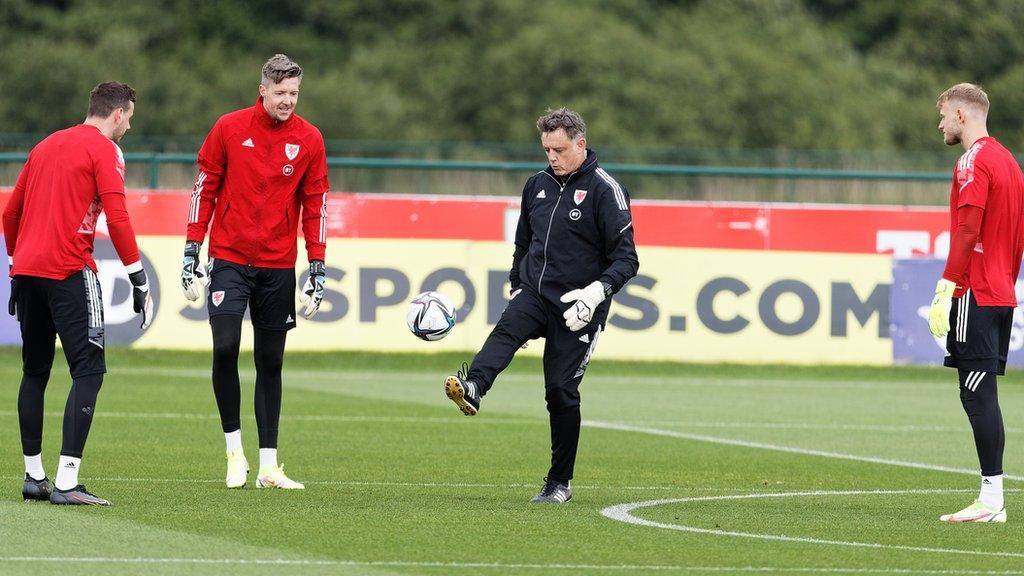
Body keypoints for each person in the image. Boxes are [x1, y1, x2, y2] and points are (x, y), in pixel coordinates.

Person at [444, 108, 639, 503]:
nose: (552, 156)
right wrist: (517, 285)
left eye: (560, 149)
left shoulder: (606, 190)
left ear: (580, 144)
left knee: (560, 393)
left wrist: (596, 293)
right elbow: (523, 242)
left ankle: (559, 483)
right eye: (546, 149)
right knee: (507, 329)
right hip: (536, 293)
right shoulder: (536, 185)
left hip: (579, 305)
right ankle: (474, 386)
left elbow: (627, 259)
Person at [182, 54, 329, 490]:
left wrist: (316, 264)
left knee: (271, 360)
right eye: (281, 93)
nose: (288, 101)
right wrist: (192, 249)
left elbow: (316, 204)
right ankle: (233, 452)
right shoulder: (229, 127)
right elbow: (204, 188)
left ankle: (268, 466)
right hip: (228, 257)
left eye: (295, 94)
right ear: (263, 89)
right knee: (225, 347)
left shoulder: (310, 139)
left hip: (278, 265)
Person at [3, 82, 154, 506]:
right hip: (69, 269)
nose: (127, 126)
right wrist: (138, 278)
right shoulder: (106, 150)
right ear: (119, 113)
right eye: (129, 118)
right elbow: (118, 215)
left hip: (28, 271)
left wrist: (17, 265)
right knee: (88, 371)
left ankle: (34, 477)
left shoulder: (45, 145)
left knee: (35, 371)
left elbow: (10, 213)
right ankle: (67, 481)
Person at [929, 83, 1024, 523]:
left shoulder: (973, 160)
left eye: (944, 114)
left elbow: (968, 232)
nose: (941, 123)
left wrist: (947, 286)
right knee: (982, 392)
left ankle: (990, 501)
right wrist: (1006, 279)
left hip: (976, 291)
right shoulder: (1009, 162)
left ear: (963, 115)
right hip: (1001, 289)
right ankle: (992, 498)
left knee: (976, 393)